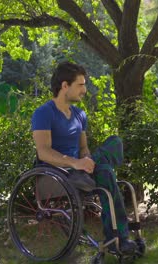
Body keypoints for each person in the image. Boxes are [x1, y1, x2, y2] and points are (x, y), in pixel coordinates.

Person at [31, 61, 137, 254]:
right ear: (65, 86)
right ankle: (119, 239)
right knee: (105, 172)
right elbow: (43, 152)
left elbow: (83, 148)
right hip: (58, 174)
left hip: (79, 170)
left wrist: (86, 161)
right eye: (80, 85)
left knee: (114, 144)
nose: (84, 90)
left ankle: (118, 239)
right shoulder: (43, 113)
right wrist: (75, 163)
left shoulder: (80, 114)